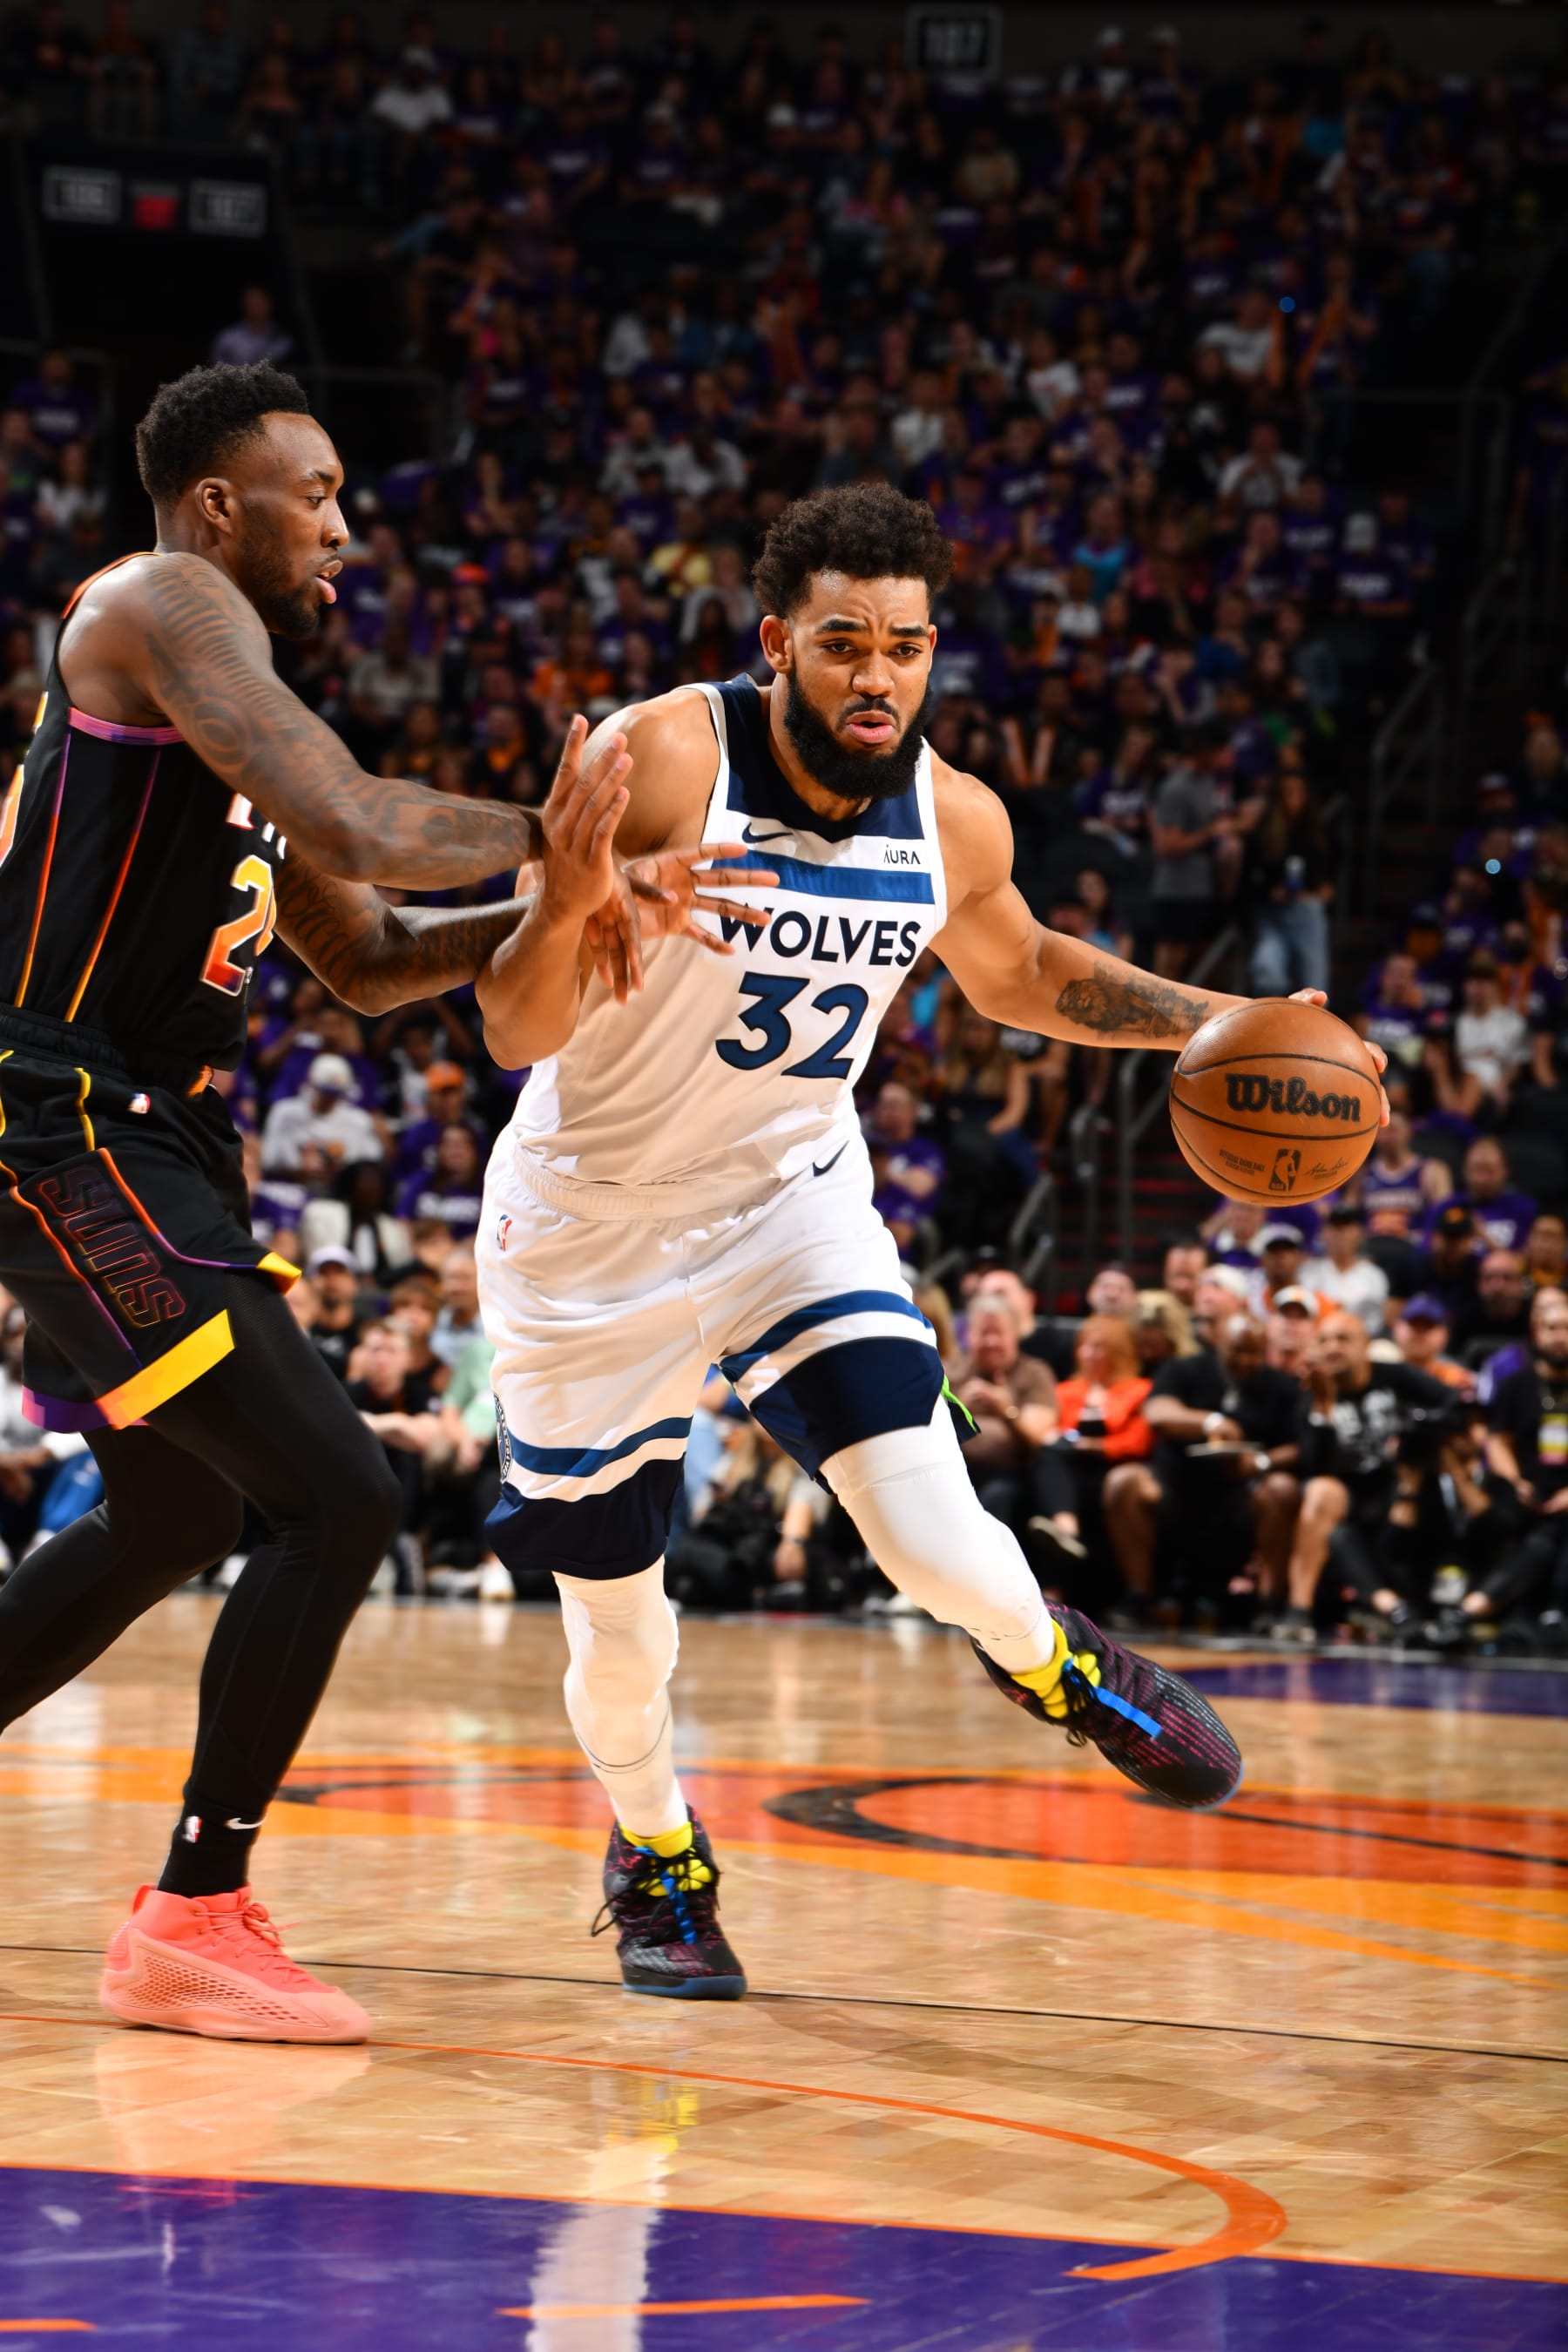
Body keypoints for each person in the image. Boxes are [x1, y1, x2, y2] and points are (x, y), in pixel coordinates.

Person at [471, 485, 1348, 1995]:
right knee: (625, 1628)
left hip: (787, 1202)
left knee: (934, 1538)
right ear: (777, 643)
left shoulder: (958, 816)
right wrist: (576, 901)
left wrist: (1229, 1024)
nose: (877, 677)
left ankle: (1058, 1664)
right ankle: (659, 1856)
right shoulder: (663, 756)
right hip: (585, 1235)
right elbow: (511, 1023)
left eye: (906, 646)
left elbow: (1018, 976)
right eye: (842, 646)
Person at [0, 362, 759, 2044]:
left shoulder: (237, 706)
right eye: (318, 493)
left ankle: (193, 1909)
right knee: (336, 1494)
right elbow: (358, 809)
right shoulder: (161, 604)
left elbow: (366, 958)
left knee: (181, 1513)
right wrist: (574, 847)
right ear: (219, 507)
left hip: (147, 1143)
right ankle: (195, 1912)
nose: (346, 525)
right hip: (59, 1128)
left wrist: (568, 924)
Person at [1109, 1312, 1305, 1624]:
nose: (1245, 1359)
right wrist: (1210, 1422)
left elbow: (1301, 1446)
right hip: (1177, 1489)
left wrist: (1260, 1462)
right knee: (1123, 1483)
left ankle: (1269, 1606)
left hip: (1242, 1495)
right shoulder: (1186, 1368)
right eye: (1236, 1350)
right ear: (1218, 1343)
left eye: (1254, 1351)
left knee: (1282, 1489)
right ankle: (1137, 1599)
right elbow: (1157, 1412)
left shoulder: (1281, 1386)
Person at [1279, 1310, 1451, 1643]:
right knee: (1322, 1492)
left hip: (1405, 1490)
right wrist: (1324, 1406)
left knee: (1422, 1490)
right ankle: (1299, 1612)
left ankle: (1414, 1607)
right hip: (1351, 1503)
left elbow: (1451, 1403)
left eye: (1343, 1339)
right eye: (1324, 1340)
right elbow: (1316, 1466)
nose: (1332, 1348)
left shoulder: (1395, 1376)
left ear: (1365, 1345)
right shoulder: (1311, 1393)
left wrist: (1415, 1429)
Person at [949, 1288, 1082, 1567]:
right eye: (983, 1333)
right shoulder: (949, 1373)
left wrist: (1006, 1408)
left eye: (999, 1333)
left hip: (1013, 1476)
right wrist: (959, 1407)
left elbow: (1040, 1435)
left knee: (998, 1496)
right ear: (968, 1335)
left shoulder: (1034, 1373)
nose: (991, 1342)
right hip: (952, 1471)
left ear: (1015, 1335)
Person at [1301, 1204, 1389, 1333]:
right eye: (1335, 1227)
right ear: (1324, 1233)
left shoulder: (1374, 1275)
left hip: (1359, 1341)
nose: (1340, 1233)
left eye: (1346, 1227)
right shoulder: (1308, 1272)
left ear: (1359, 1233)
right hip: (1316, 1339)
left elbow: (1376, 1321)